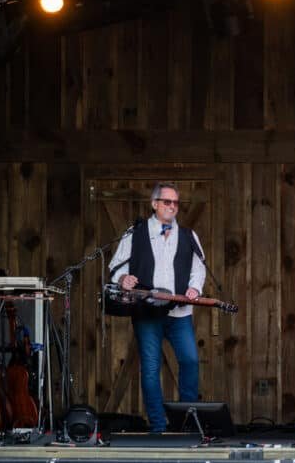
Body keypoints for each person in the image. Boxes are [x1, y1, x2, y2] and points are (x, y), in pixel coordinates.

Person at [108, 183, 206, 433]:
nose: (172, 206)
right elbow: (116, 266)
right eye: (167, 202)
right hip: (148, 311)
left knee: (190, 361)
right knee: (151, 369)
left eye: (176, 203)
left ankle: (186, 424)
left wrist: (194, 288)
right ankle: (158, 426)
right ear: (154, 204)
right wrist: (123, 279)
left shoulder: (188, 235)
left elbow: (199, 269)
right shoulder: (135, 233)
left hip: (179, 312)